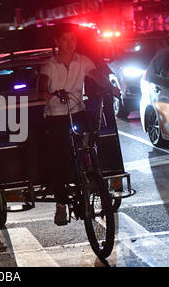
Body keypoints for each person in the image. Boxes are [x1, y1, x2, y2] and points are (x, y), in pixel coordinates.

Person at [38, 24, 120, 226]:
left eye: (73, 39)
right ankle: (60, 204)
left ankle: (94, 175)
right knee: (58, 158)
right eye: (65, 39)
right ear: (57, 42)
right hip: (56, 115)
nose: (70, 43)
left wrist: (111, 88)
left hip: (77, 111)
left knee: (93, 136)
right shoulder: (49, 66)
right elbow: (42, 86)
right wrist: (46, 93)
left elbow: (96, 75)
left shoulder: (82, 61)